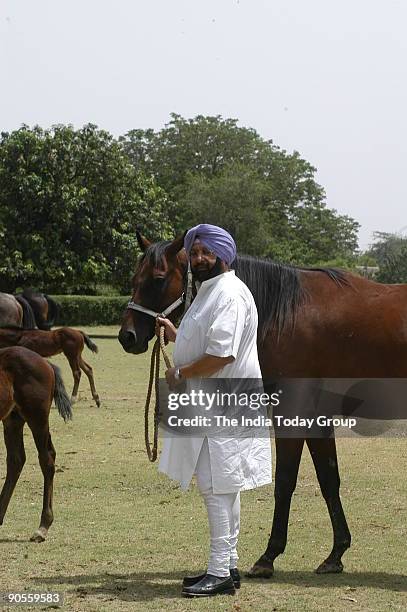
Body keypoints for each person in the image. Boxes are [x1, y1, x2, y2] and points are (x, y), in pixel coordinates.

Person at [156, 223, 272, 598]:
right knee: (223, 484)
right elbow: (208, 338)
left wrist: (180, 373)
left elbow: (222, 354)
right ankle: (228, 566)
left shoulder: (229, 294)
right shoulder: (211, 292)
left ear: (224, 255)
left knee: (215, 485)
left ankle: (220, 571)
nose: (200, 258)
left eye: (207, 251)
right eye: (195, 252)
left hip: (223, 405)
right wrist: (178, 335)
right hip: (213, 404)